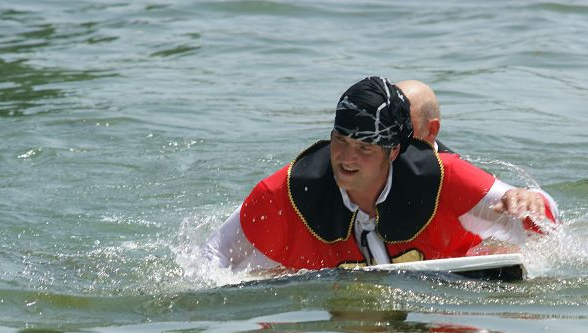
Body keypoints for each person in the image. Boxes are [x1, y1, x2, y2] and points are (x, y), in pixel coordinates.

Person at [203, 76, 558, 272]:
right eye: (340, 141)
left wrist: (533, 202)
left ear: (393, 152)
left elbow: (550, 223)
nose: (346, 158)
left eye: (365, 148)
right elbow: (210, 257)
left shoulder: (443, 177)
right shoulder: (286, 192)